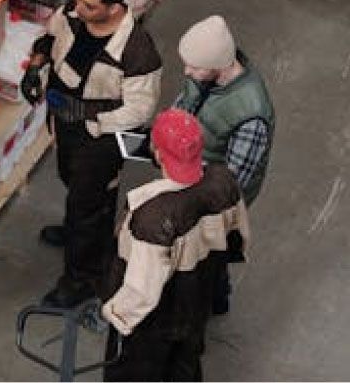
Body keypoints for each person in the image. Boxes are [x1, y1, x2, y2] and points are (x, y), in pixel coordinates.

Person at [20, 0, 162, 308]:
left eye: (90, 6)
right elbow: (51, 36)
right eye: (80, 0)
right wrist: (36, 66)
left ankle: (83, 277)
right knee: (70, 179)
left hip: (100, 138)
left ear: (114, 7)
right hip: (66, 121)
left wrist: (91, 121)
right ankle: (76, 233)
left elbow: (140, 110)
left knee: (91, 203)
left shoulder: (137, 51)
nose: (78, 8)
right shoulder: (75, 11)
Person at [100, 109, 249, 381]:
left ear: (157, 154)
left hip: (157, 319)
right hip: (196, 299)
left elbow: (142, 291)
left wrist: (115, 314)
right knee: (185, 365)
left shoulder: (152, 218)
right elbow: (238, 238)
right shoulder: (223, 182)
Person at [174, 15, 274, 314]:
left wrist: (187, 175)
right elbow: (184, 104)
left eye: (194, 66)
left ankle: (212, 300)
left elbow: (230, 185)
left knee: (209, 254)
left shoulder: (251, 114)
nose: (187, 71)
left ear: (218, 65)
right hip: (191, 175)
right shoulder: (205, 72)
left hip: (213, 198)